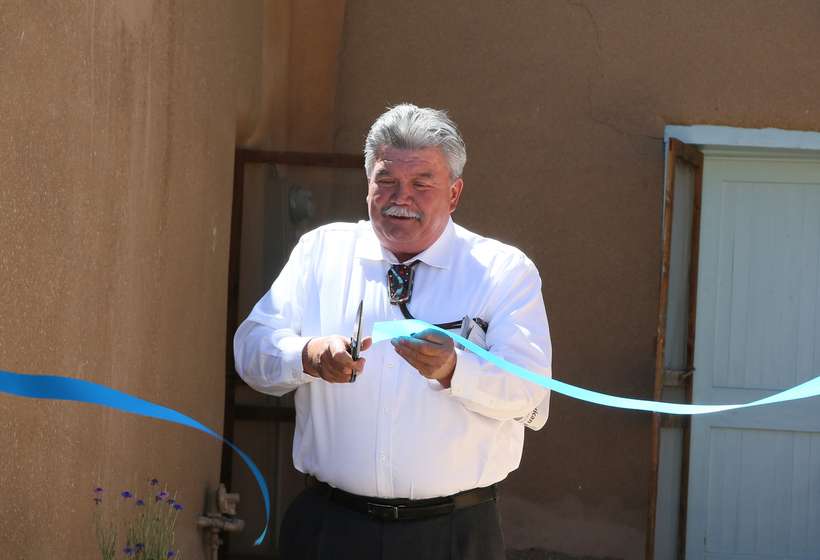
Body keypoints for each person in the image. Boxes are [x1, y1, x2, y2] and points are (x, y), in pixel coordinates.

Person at [233, 103, 552, 560]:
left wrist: (454, 370)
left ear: (454, 194)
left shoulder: (501, 272)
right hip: (331, 526)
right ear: (368, 184)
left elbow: (529, 390)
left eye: (423, 184)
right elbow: (251, 351)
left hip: (452, 534)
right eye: (386, 181)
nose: (401, 197)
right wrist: (307, 354)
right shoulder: (322, 252)